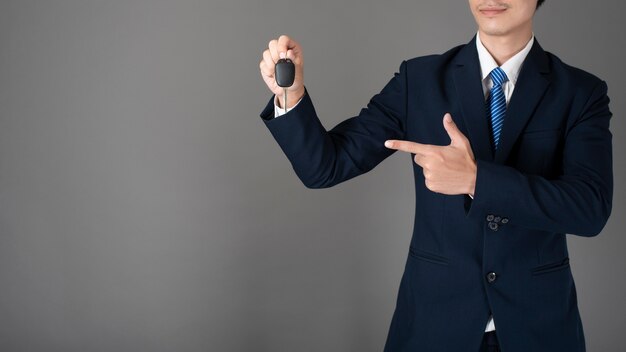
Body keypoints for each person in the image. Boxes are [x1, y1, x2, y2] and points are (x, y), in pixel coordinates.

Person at [257, 0, 612, 350]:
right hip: (433, 326)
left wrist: (476, 180)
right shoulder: (420, 80)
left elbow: (590, 208)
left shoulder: (581, 92)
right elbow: (325, 167)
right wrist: (292, 95)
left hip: (539, 329)